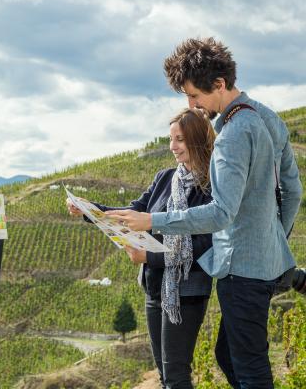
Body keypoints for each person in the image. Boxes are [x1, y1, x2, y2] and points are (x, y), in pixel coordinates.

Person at [106, 37, 302, 388]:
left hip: (240, 269)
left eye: (194, 95)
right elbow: (293, 191)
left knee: (250, 369)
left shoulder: (231, 137)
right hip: (262, 264)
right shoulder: (269, 118)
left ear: (219, 84)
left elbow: (221, 213)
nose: (192, 104)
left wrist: (153, 221)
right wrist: (274, 243)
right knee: (230, 356)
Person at [67, 108, 216, 388]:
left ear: (197, 140)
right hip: (154, 287)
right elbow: (133, 211)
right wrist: (89, 210)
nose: (172, 146)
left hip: (186, 292)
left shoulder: (210, 187)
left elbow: (203, 246)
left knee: (176, 376)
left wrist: (149, 256)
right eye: (170, 139)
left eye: (180, 139)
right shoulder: (164, 178)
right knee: (164, 375)